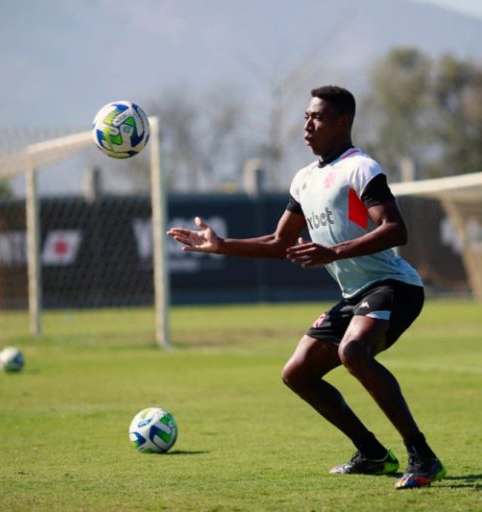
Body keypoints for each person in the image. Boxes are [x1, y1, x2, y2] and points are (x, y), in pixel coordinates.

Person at [167, 85, 445, 490]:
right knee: (297, 373)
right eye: (306, 117)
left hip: (394, 285)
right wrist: (220, 245)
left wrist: (333, 252)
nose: (307, 126)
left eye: (317, 117)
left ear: (343, 122)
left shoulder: (361, 168)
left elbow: (394, 229)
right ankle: (372, 453)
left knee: (354, 352)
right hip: (354, 295)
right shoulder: (304, 179)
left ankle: (422, 456)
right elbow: (279, 242)